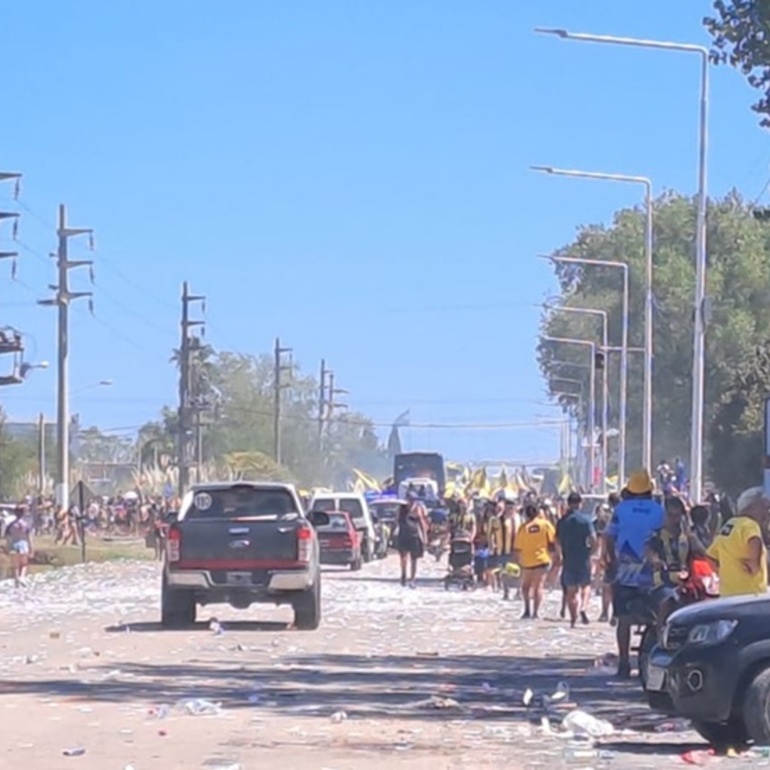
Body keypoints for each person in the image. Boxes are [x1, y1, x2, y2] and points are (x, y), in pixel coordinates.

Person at [604, 469, 665, 678]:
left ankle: (623, 663)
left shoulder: (620, 510)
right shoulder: (659, 510)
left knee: (623, 619)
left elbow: (609, 538)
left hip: (625, 573)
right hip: (653, 574)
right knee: (657, 620)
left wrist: (612, 560)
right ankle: (654, 662)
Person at [646, 496, 703, 629]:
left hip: (688, 581)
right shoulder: (657, 535)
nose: (674, 520)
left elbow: (703, 553)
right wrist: (656, 561)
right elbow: (649, 552)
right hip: (663, 581)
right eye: (671, 515)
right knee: (669, 599)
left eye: (678, 516)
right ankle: (661, 632)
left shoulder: (689, 536)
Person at [706, 486, 770, 598]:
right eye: (765, 508)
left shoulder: (730, 525)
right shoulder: (750, 524)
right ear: (752, 507)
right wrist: (753, 564)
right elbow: (754, 539)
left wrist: (727, 573)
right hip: (751, 595)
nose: (767, 513)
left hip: (727, 594)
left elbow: (710, 556)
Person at [556, 491, 597, 628]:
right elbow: (593, 539)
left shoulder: (562, 521)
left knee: (571, 591)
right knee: (585, 585)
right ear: (580, 504)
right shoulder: (586, 520)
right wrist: (592, 552)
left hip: (568, 558)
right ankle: (583, 607)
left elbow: (556, 541)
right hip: (583, 557)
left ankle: (573, 619)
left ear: (568, 504)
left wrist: (560, 554)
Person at [514, 504, 556, 620]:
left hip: (527, 561)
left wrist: (518, 561)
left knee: (525, 587)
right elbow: (553, 540)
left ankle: (527, 610)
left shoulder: (523, 528)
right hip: (542, 559)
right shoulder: (545, 524)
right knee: (538, 587)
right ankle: (536, 613)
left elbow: (518, 547)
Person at [396, 500, 428, 588]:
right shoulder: (401, 509)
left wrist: (425, 537)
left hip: (414, 536)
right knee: (403, 558)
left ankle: (412, 579)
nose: (410, 503)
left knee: (414, 559)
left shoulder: (417, 508)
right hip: (403, 535)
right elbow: (396, 520)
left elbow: (422, 523)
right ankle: (404, 574)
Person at [6, 505, 32, 588]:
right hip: (23, 545)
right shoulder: (25, 524)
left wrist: (8, 546)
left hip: (13, 545)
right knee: (24, 564)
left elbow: (7, 537)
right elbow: (29, 537)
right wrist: (31, 547)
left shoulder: (10, 525)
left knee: (15, 566)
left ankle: (17, 582)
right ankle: (22, 577)